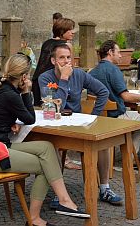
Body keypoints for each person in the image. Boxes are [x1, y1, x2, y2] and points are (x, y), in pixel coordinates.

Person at [0, 54, 90, 226]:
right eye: (27, 75)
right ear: (23, 76)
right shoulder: (11, 94)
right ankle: (35, 219)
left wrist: (11, 122)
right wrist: (27, 91)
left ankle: (63, 199)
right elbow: (30, 118)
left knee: (46, 147)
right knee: (45, 167)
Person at [38, 43, 124, 206]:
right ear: (53, 61)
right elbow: (56, 106)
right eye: (61, 58)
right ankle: (59, 192)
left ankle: (104, 188)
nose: (66, 61)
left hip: (76, 122)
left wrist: (93, 116)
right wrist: (63, 78)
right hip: (54, 122)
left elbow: (103, 92)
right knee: (50, 145)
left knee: (102, 143)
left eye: (68, 57)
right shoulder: (45, 78)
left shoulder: (79, 74)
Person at [89, 40, 140, 170]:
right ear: (110, 52)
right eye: (118, 52)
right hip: (115, 117)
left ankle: (131, 154)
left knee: (137, 116)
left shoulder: (92, 72)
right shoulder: (113, 70)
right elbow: (126, 96)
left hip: (98, 118)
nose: (121, 55)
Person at [32, 17, 76, 106]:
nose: (72, 32)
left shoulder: (46, 42)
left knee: (42, 108)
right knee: (55, 107)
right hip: (54, 80)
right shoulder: (66, 45)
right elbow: (70, 68)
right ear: (61, 31)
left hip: (38, 80)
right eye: (69, 30)